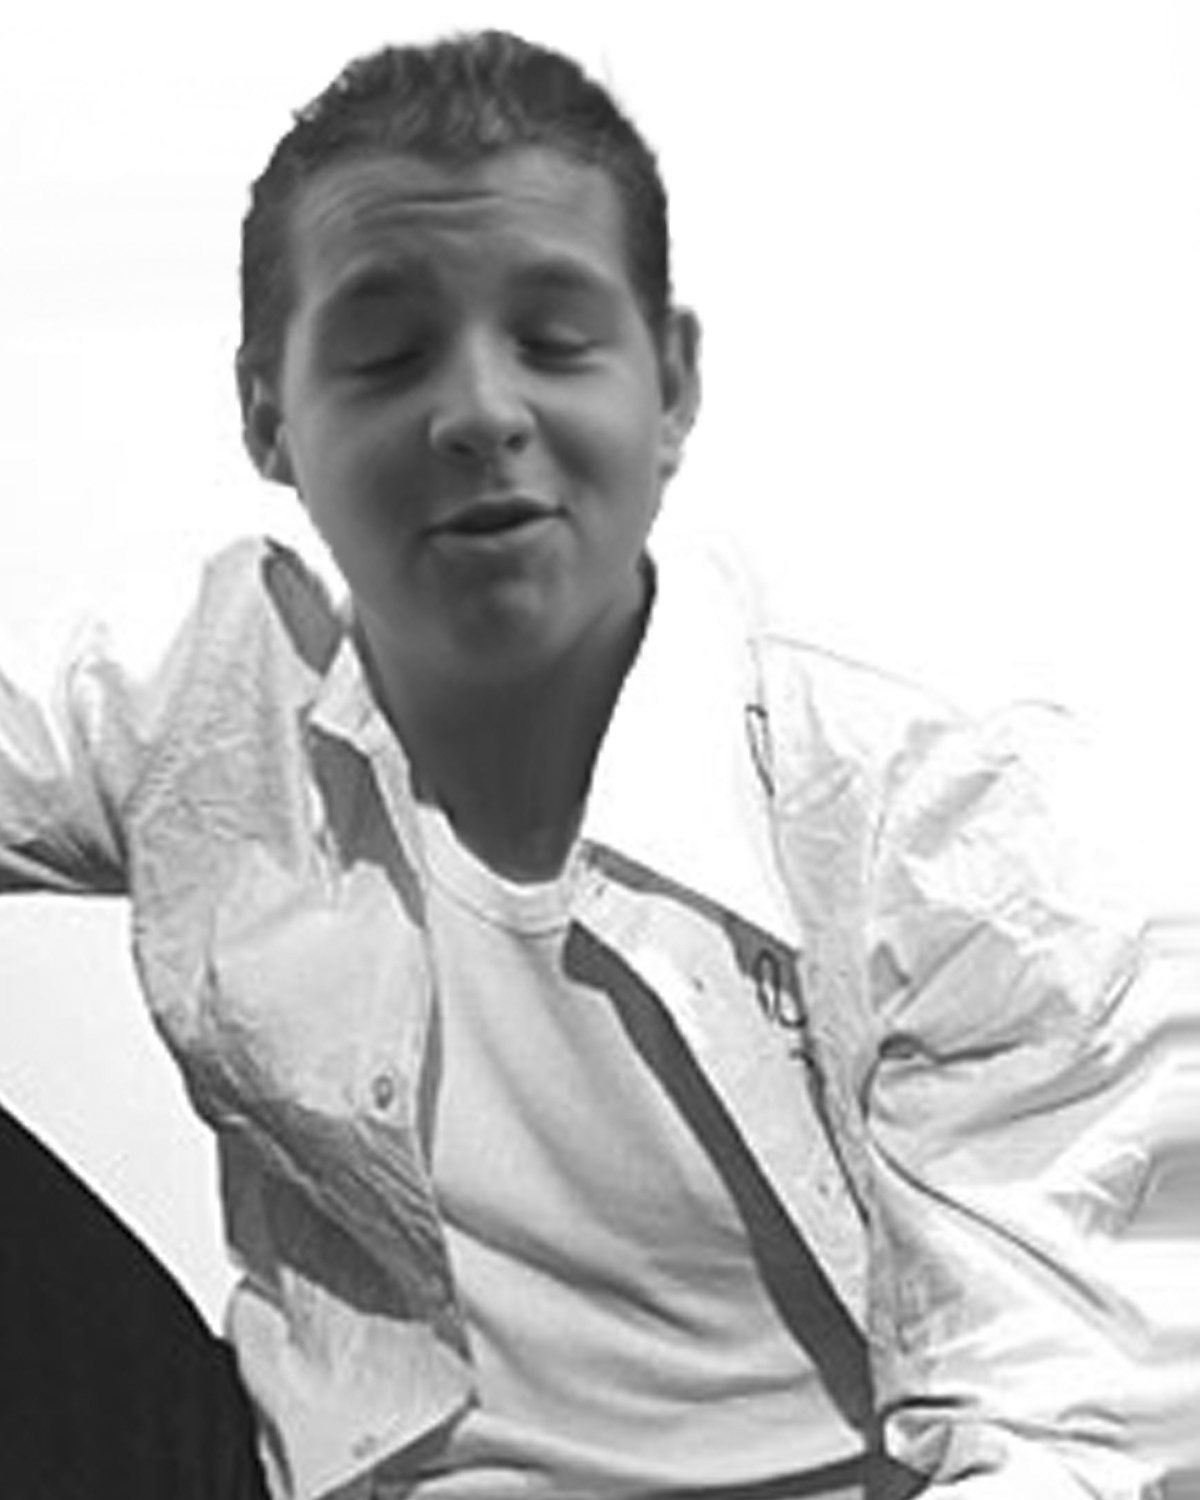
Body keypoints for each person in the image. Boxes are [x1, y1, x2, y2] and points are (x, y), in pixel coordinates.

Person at [0, 28, 1163, 1500]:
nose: (482, 415)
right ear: (267, 418)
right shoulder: (212, 698)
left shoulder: (936, 812)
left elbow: (1063, 1439)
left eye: (554, 339)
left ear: (668, 388)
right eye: (385, 352)